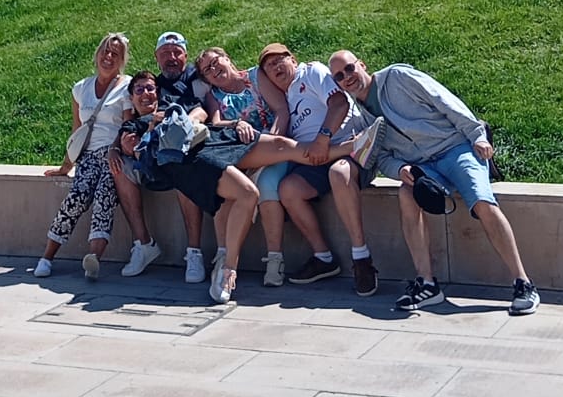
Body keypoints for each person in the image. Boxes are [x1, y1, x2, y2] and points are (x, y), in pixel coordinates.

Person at [328, 52, 540, 315]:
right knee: (406, 194)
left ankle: (523, 283)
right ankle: (427, 283)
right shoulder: (360, 119)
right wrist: (401, 169)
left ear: (362, 65)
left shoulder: (398, 77)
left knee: (482, 202)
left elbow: (444, 100)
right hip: (423, 165)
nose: (347, 77)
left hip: (456, 149)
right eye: (339, 76)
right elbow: (381, 157)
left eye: (350, 69)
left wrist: (477, 136)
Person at [183, 46, 338, 304]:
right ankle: (224, 262)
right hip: (240, 155)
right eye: (207, 70)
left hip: (275, 147)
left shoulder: (256, 77)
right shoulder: (214, 96)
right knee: (227, 193)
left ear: (227, 58)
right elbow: (216, 123)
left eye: (216, 62)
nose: (214, 70)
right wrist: (236, 124)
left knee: (267, 185)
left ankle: (274, 259)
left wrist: (270, 142)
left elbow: (281, 110)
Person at [252, 43, 379, 293]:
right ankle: (323, 258)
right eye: (269, 66)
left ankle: (361, 258)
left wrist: (322, 138)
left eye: (280, 60)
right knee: (288, 190)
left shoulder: (310, 73)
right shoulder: (283, 100)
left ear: (294, 60)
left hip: (348, 145)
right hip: (314, 159)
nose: (276, 67)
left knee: (338, 173)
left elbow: (340, 104)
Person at [110, 31, 211, 281]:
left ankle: (194, 253)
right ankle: (144, 244)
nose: (172, 58)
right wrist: (117, 145)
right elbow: (129, 127)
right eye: (165, 53)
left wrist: (180, 127)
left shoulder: (193, 81)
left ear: (186, 55)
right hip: (149, 158)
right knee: (119, 168)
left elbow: (201, 112)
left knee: (184, 172)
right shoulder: (151, 87)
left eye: (177, 52)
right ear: (157, 58)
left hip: (179, 157)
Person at [35, 33, 133, 281]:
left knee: (104, 196)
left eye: (115, 53)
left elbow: (128, 128)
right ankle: (47, 256)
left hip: (114, 155)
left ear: (122, 60)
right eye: (105, 51)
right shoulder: (81, 88)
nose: (108, 57)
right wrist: (65, 165)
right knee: (76, 197)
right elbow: (77, 132)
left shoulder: (127, 87)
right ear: (97, 54)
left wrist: (117, 150)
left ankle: (93, 259)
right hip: (88, 157)